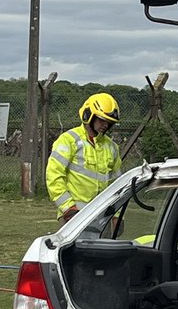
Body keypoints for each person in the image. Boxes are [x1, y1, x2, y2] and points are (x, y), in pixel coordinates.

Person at [46, 92, 123, 223]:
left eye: (109, 122)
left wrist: (117, 214)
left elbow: (117, 184)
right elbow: (54, 175)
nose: (105, 125)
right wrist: (68, 208)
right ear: (88, 115)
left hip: (103, 217)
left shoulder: (112, 147)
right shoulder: (68, 140)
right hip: (73, 214)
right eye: (101, 120)